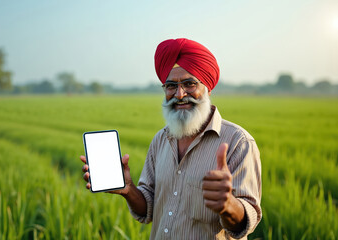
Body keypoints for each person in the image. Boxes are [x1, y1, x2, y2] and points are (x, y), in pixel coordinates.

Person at [81, 38, 262, 239]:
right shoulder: (161, 139)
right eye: (170, 86)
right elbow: (147, 209)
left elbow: (248, 220)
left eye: (189, 84)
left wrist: (228, 205)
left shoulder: (238, 142)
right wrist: (129, 190)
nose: (180, 94)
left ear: (208, 88)